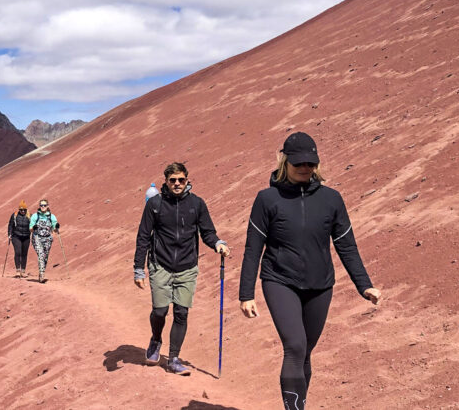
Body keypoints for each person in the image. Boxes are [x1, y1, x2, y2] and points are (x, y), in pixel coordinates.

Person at [239, 132, 382, 410]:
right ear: (285, 162)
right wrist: (246, 293)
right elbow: (253, 249)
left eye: (311, 164)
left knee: (305, 352)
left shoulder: (331, 199)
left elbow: (346, 246)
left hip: (320, 285)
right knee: (294, 346)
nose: (305, 168)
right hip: (279, 281)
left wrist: (364, 285)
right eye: (299, 164)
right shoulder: (267, 199)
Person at [133, 162, 230, 376]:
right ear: (166, 181)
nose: (177, 184)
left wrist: (217, 243)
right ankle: (156, 339)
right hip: (160, 265)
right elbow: (143, 236)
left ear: (187, 180)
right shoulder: (155, 204)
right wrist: (138, 268)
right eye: (173, 180)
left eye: (181, 180)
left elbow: (207, 232)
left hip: (187, 267)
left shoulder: (197, 204)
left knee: (181, 312)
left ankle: (174, 358)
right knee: (160, 311)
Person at [29, 199, 59, 283]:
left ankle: (42, 272)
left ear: (47, 206)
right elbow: (30, 228)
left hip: (48, 238)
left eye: (44, 205)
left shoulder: (51, 217)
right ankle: (42, 275)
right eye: (41, 205)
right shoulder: (35, 216)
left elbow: (54, 228)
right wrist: (33, 228)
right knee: (41, 255)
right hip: (37, 238)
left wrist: (56, 227)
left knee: (45, 257)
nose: (43, 207)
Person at [7, 201, 32, 278]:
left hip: (26, 237)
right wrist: (9, 234)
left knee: (24, 254)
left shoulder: (30, 216)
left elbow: (33, 225)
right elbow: (10, 225)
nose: (23, 211)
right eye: (21, 210)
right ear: (19, 209)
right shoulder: (14, 215)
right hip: (16, 236)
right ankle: (18, 271)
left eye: (24, 209)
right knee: (18, 252)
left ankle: (23, 271)